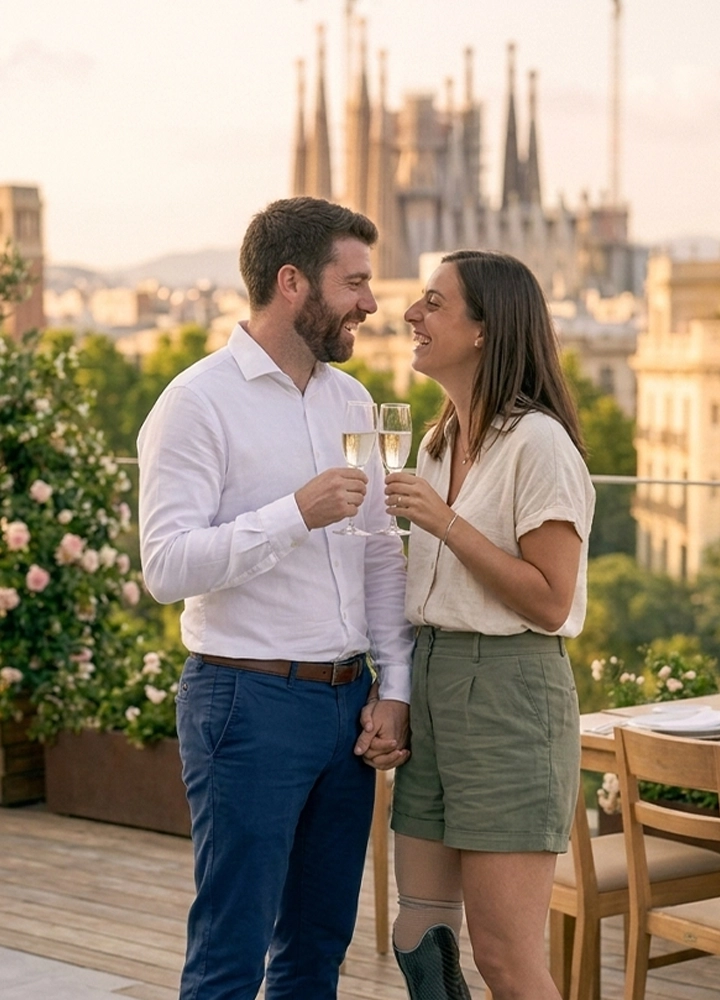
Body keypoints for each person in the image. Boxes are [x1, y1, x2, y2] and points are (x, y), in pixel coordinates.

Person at [137, 196, 414, 1000]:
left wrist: (392, 687)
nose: (370, 302)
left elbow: (379, 558)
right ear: (293, 282)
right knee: (231, 948)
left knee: (316, 948)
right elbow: (165, 566)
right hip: (246, 702)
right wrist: (294, 513)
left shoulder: (353, 401)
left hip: (347, 706)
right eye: (354, 282)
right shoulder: (195, 403)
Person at [378, 250, 595, 1000]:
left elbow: (551, 601)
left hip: (509, 696)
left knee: (505, 958)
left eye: (433, 303)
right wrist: (398, 692)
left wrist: (446, 524)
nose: (411, 315)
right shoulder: (439, 442)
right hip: (437, 682)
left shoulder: (539, 445)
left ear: (483, 331)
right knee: (419, 936)